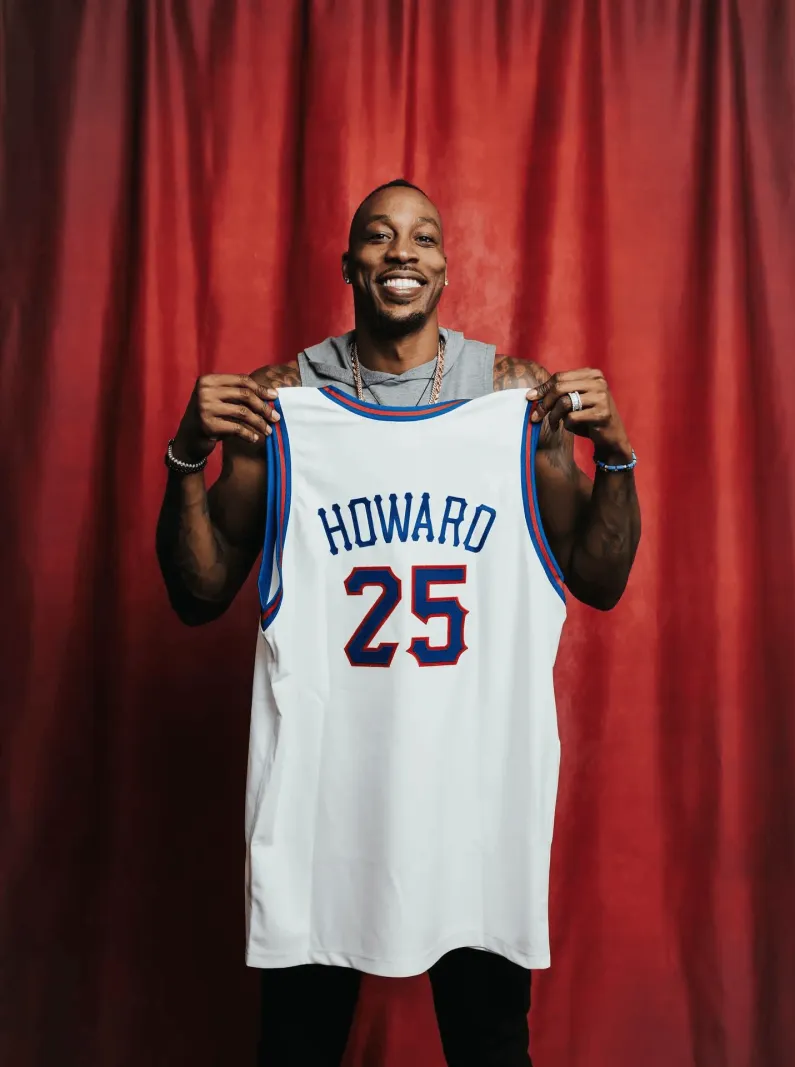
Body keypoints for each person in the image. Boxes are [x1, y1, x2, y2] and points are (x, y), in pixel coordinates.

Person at [156, 180, 641, 1066]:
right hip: (323, 813)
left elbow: (600, 580)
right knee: (296, 1048)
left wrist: (614, 456)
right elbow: (198, 593)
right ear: (350, 266)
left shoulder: (515, 403)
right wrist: (186, 457)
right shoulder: (282, 407)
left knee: (491, 1047)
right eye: (379, 237)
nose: (402, 252)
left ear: (446, 267)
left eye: (422, 237)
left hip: (473, 809)